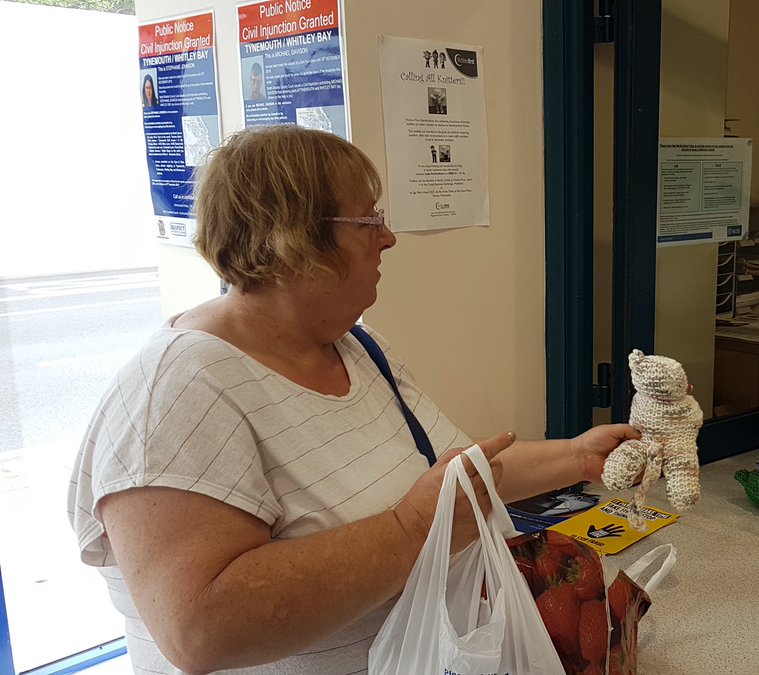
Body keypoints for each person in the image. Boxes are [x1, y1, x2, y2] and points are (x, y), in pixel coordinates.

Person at [67, 125, 639, 674]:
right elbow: (197, 629)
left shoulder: (356, 345)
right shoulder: (177, 392)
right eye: (369, 220)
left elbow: (459, 479)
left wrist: (581, 456)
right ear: (290, 240)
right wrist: (410, 528)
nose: (388, 237)